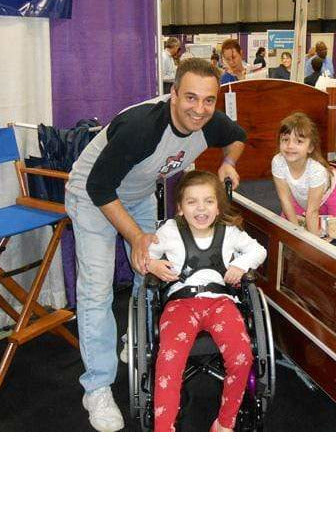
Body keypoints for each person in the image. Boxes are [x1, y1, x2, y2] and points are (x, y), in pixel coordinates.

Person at [65, 58, 247, 432]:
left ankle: (134, 337)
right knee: (97, 291)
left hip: (139, 195)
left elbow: (238, 135)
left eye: (208, 100)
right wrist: (136, 237)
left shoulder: (209, 120)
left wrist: (228, 161)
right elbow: (99, 187)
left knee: (150, 275)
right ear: (173, 94)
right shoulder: (142, 128)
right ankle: (97, 387)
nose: (199, 109)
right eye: (190, 98)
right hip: (93, 195)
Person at [146, 170, 266, 432]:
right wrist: (152, 265)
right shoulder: (169, 231)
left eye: (208, 201)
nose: (201, 208)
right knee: (168, 361)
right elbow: (145, 255)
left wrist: (241, 264)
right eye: (192, 202)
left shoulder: (229, 231)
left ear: (218, 206)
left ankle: (224, 423)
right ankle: (163, 429)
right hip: (180, 304)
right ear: (180, 208)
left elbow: (259, 250)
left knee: (242, 356)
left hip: (221, 302)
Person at [272, 112, 336, 239]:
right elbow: (285, 200)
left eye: (299, 141)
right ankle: (322, 206)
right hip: (303, 195)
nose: (290, 146)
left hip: (332, 190)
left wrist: (311, 243)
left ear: (310, 148)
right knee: (286, 222)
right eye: (285, 140)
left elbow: (312, 212)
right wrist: (296, 232)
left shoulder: (316, 170)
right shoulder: (278, 161)